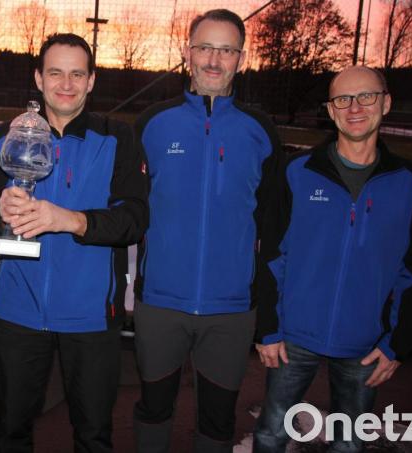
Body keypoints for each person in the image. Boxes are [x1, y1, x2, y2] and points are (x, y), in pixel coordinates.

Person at [0, 33, 149, 453]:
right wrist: (2, 211)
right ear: (38, 78)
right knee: (11, 432)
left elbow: (134, 220)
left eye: (77, 73)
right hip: (16, 310)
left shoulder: (118, 139)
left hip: (91, 315)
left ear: (92, 81)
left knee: (93, 435)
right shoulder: (7, 139)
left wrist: (69, 220)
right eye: (55, 72)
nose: (66, 84)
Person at [131, 9, 283, 453]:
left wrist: (269, 314)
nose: (214, 60)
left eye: (226, 50)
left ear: (241, 57)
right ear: (187, 52)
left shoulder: (261, 131)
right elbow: (126, 208)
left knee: (217, 422)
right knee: (154, 410)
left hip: (232, 312)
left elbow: (273, 228)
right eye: (205, 47)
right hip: (160, 304)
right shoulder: (152, 124)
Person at [252, 66, 412, 452]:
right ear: (331, 111)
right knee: (271, 433)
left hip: (366, 342)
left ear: (386, 102)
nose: (355, 107)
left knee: (350, 443)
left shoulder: (410, 183)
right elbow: (270, 256)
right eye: (343, 99)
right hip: (293, 336)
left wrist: (397, 341)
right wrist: (268, 327)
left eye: (366, 96)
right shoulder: (297, 172)